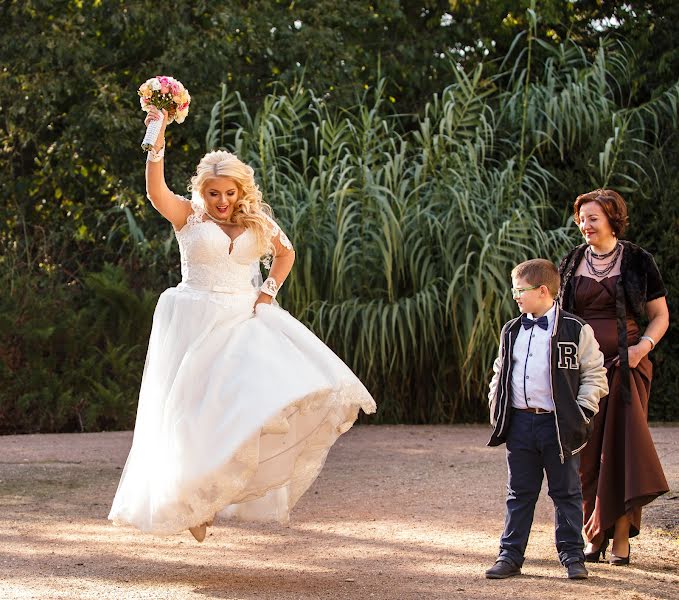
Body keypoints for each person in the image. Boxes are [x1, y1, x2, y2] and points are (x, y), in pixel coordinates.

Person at [108, 109, 376, 542]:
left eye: (228, 192)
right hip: (195, 319)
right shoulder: (188, 218)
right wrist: (156, 138)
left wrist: (268, 291)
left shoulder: (258, 221)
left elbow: (286, 253)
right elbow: (156, 192)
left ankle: (212, 495)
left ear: (239, 190)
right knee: (192, 418)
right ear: (202, 191)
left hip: (243, 318)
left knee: (250, 407)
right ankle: (191, 500)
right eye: (213, 193)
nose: (221, 201)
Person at [558, 189, 669, 565]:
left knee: (621, 450)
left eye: (592, 218)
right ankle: (593, 533)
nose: (585, 225)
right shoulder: (572, 262)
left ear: (611, 219)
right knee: (586, 453)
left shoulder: (638, 260)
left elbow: (661, 315)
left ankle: (621, 536)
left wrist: (642, 348)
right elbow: (561, 319)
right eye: (581, 218)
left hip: (626, 369)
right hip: (583, 372)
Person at [485, 259, 608, 580]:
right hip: (521, 425)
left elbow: (595, 375)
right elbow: (500, 372)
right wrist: (496, 405)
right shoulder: (511, 330)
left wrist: (581, 414)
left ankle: (572, 557)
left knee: (566, 493)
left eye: (519, 291)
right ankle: (510, 556)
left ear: (542, 291)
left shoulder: (575, 329)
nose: (515, 296)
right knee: (519, 493)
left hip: (559, 425)